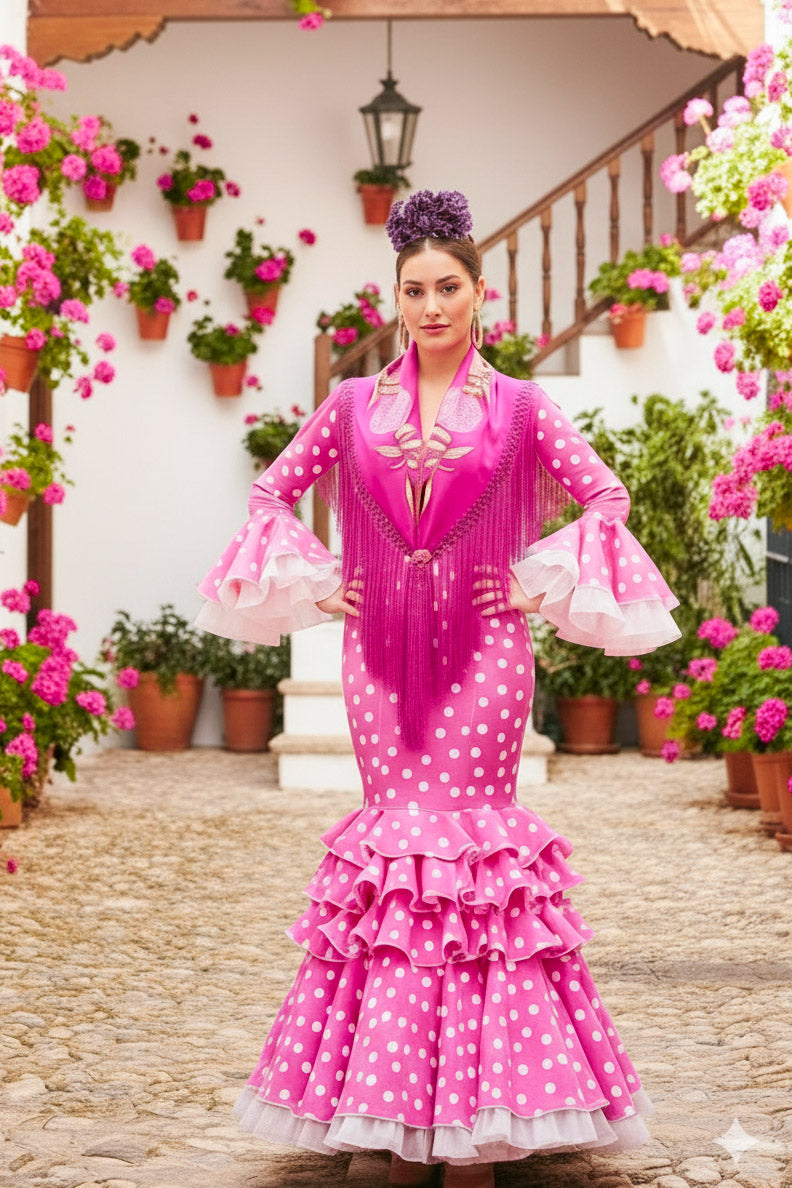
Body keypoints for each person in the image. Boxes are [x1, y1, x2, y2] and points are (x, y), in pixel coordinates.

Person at [195, 189, 680, 1187]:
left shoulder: (520, 405)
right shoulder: (352, 406)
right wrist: (331, 581)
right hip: (378, 657)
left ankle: (483, 1122)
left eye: (447, 287)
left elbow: (604, 494)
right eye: (414, 289)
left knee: (472, 862)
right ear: (398, 297)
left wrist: (534, 584)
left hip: (487, 655)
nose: (430, 306)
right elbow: (270, 489)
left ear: (478, 294)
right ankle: (388, 1102)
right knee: (396, 861)